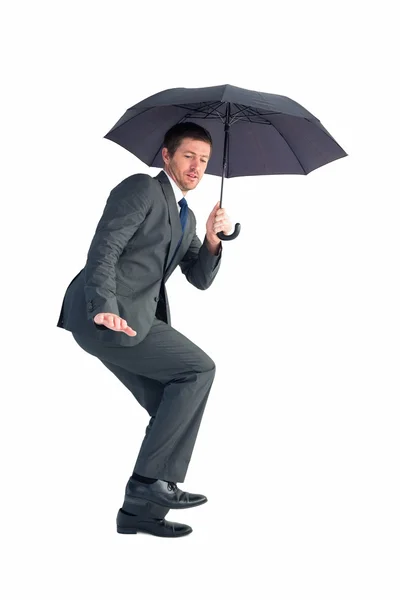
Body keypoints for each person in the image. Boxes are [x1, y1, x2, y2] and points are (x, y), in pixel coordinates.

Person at [56, 122, 233, 538]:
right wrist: (102, 305)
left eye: (204, 160)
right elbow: (105, 247)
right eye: (189, 155)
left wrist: (211, 239)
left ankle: (139, 511)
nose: (197, 166)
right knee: (197, 370)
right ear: (167, 156)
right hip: (105, 314)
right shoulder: (141, 189)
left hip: (129, 320)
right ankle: (150, 484)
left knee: (171, 407)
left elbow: (200, 278)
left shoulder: (184, 217)